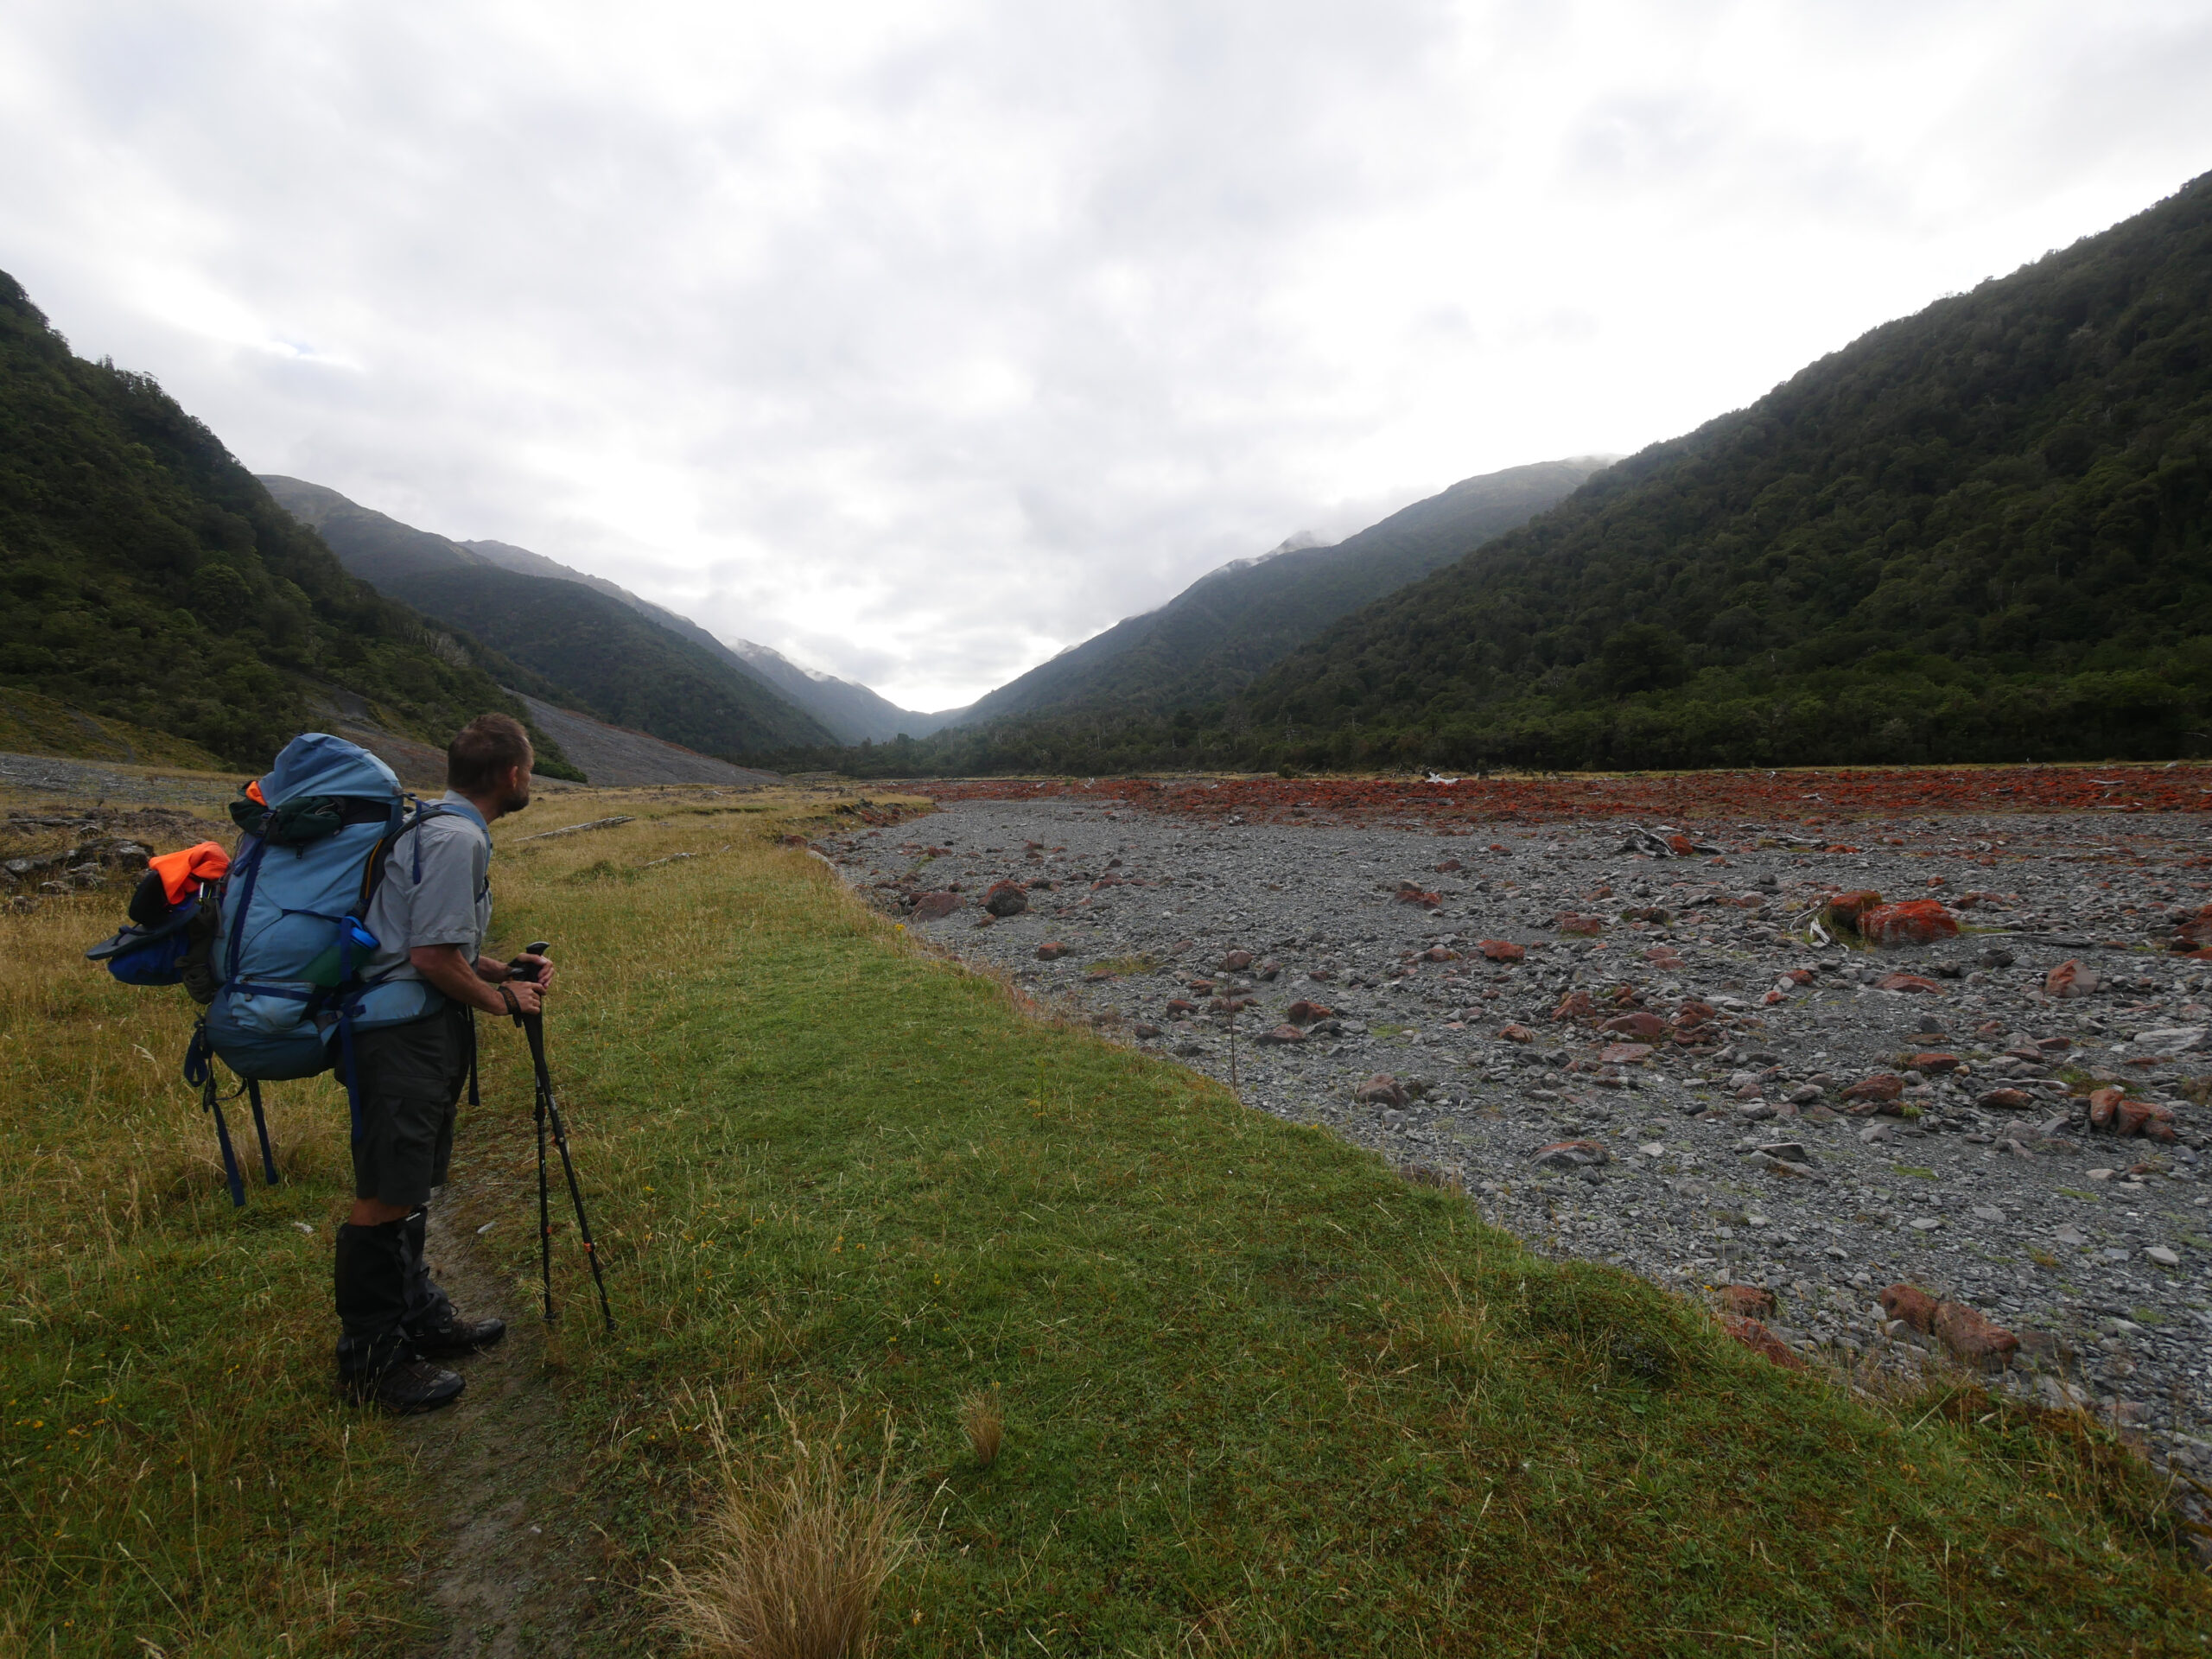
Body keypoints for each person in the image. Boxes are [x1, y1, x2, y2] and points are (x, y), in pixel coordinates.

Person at [334, 713, 556, 1413]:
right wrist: (503, 998)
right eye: (531, 769)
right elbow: (430, 960)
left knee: (413, 1180)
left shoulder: (435, 824)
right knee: (388, 1190)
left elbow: (425, 940)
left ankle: (419, 1315)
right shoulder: (458, 838)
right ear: (512, 775)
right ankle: (373, 1361)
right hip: (402, 1035)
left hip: (409, 1028)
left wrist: (496, 964)